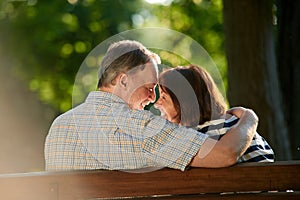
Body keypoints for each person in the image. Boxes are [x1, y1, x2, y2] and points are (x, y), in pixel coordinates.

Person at [45, 40, 259, 171]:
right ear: (124, 80)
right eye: (149, 86)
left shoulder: (60, 125)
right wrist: (249, 118)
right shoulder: (140, 128)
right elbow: (225, 154)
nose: (152, 97)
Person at [155, 65, 274, 162]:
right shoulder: (238, 124)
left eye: (163, 97)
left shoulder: (203, 133)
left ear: (184, 102)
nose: (157, 103)